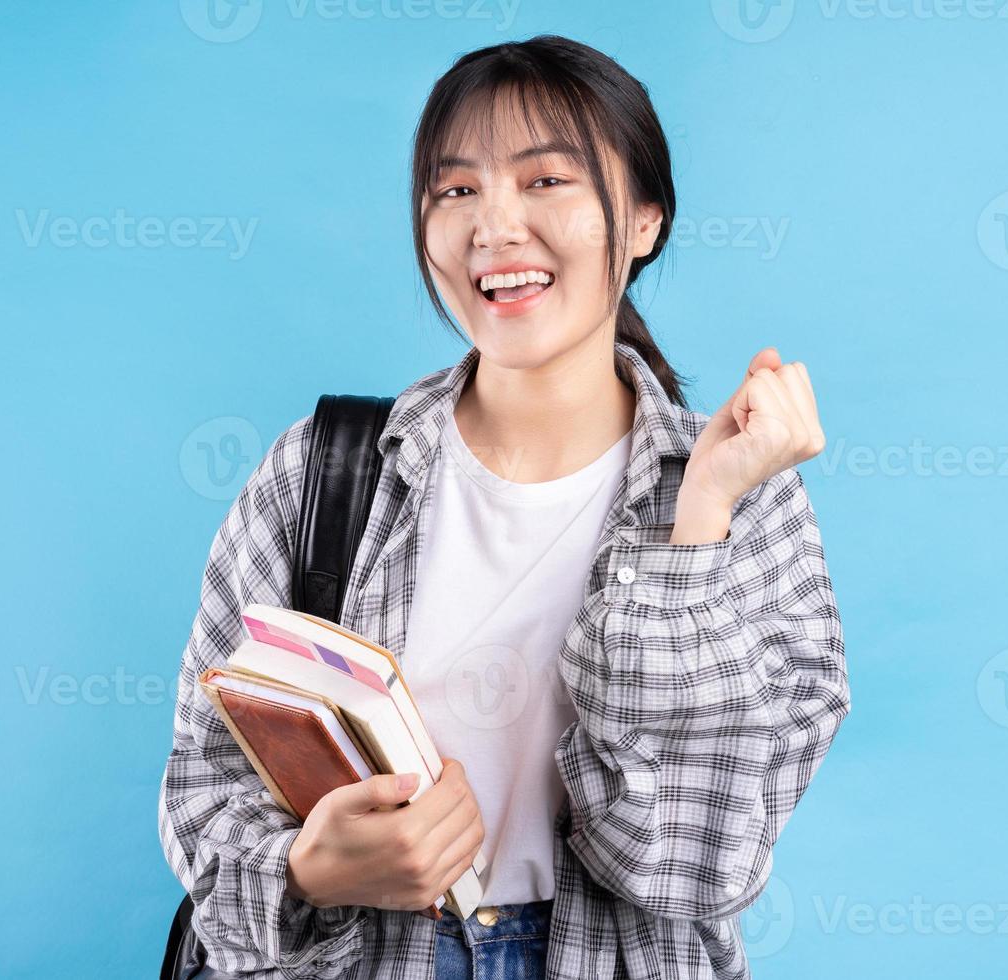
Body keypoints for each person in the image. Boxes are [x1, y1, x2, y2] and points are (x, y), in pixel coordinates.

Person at [157, 33, 849, 980]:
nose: (495, 227)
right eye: (456, 190)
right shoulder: (322, 473)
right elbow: (206, 788)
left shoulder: (741, 497)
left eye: (546, 181)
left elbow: (689, 865)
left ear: (644, 219)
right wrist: (307, 872)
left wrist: (694, 530)